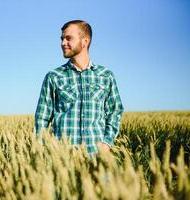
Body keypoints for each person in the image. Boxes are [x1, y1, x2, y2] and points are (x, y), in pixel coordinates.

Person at [34, 20, 124, 156]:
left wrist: (106, 143)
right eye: (62, 39)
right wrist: (42, 152)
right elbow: (42, 119)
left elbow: (115, 111)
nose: (63, 43)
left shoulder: (106, 76)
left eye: (68, 38)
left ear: (85, 42)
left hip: (98, 160)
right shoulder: (54, 76)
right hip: (63, 160)